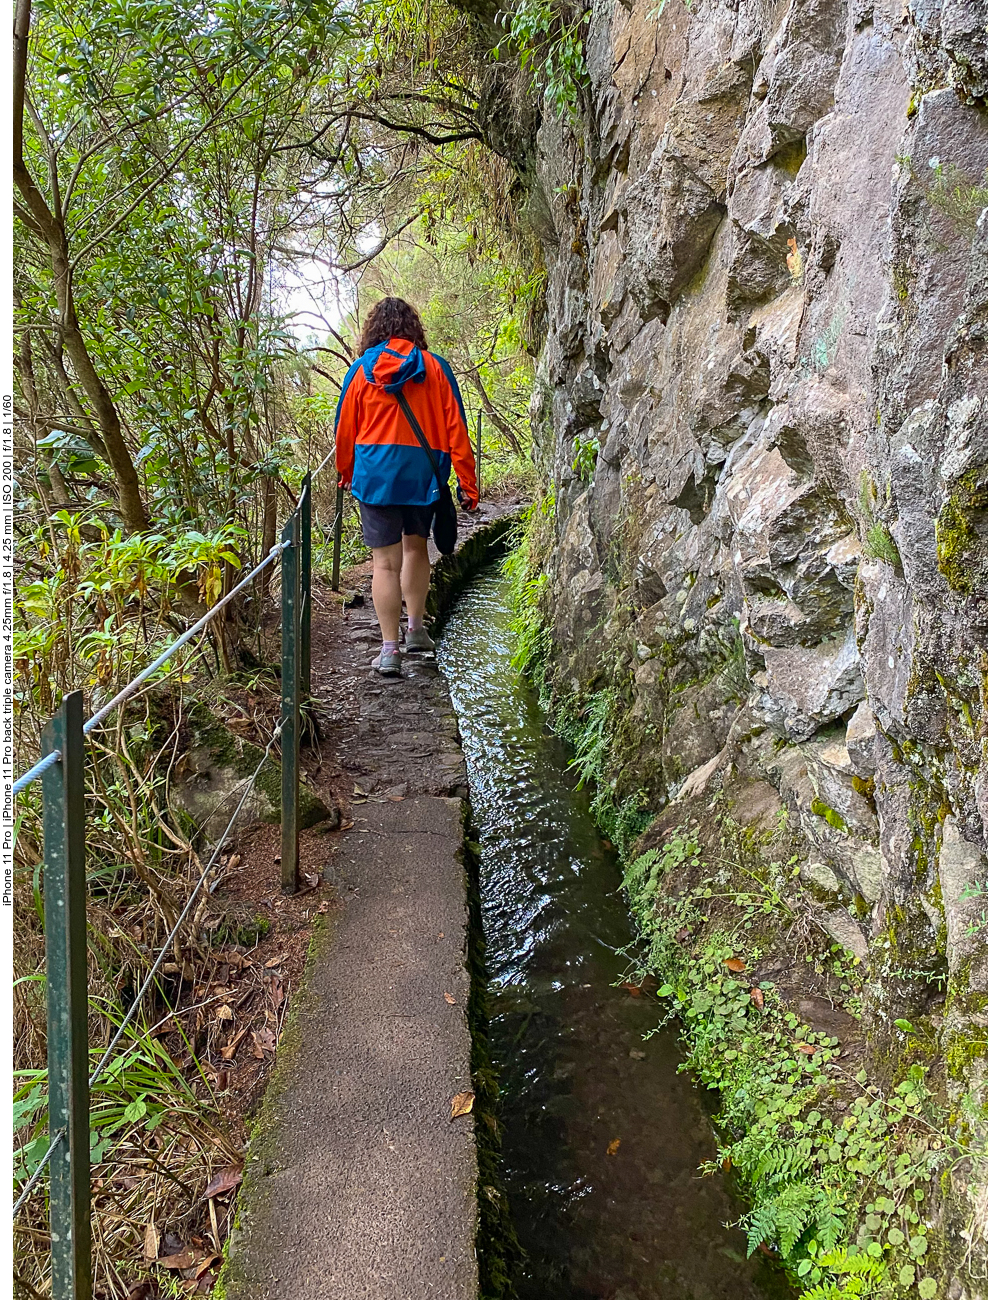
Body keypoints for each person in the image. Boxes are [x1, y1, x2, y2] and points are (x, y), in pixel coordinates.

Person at [334, 297, 479, 675]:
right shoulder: (435, 368)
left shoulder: (361, 371)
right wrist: (468, 482)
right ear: (414, 328)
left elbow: (345, 430)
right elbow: (456, 430)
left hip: (376, 475)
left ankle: (389, 650)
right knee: (417, 549)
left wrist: (345, 471)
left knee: (383, 563)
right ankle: (415, 630)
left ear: (374, 330)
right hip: (422, 474)